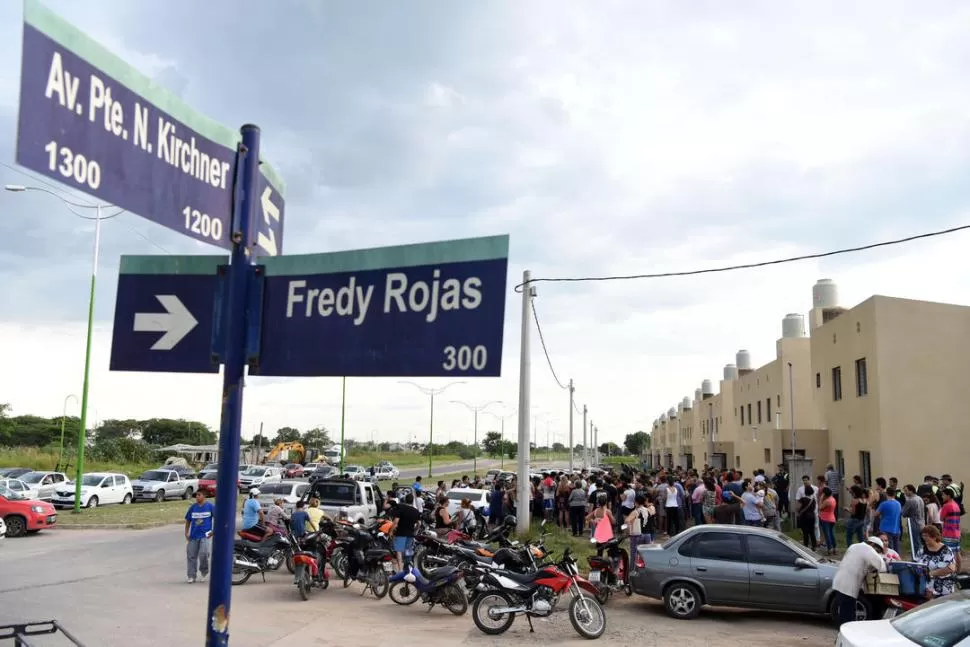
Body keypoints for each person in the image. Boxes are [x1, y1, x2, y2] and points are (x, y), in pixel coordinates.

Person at [832, 536, 887, 627]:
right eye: (877, 550)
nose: (876, 553)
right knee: (848, 617)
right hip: (849, 586)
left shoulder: (854, 546)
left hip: (838, 582)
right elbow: (882, 566)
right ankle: (845, 635)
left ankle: (841, 633)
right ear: (872, 544)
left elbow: (858, 562)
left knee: (841, 613)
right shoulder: (868, 549)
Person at [918, 525, 957, 598]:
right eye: (923, 536)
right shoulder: (922, 549)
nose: (924, 538)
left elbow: (950, 568)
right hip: (926, 588)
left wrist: (931, 573)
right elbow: (915, 564)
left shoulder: (946, 550)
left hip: (943, 587)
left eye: (927, 536)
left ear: (934, 537)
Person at [184, 490, 214, 584]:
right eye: (196, 495)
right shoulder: (193, 507)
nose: (197, 497)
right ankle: (191, 576)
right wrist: (186, 533)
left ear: (204, 496)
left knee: (204, 554)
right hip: (193, 536)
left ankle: (204, 573)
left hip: (205, 535)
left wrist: (213, 532)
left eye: (199, 495)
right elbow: (188, 520)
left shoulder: (210, 506)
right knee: (191, 556)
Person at [390, 493, 421, 570]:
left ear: (405, 500)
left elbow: (395, 522)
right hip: (410, 533)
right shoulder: (416, 511)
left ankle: (400, 569)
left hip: (401, 533)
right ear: (412, 501)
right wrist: (416, 530)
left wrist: (391, 531)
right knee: (408, 550)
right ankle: (407, 568)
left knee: (399, 551)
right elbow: (419, 523)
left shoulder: (401, 508)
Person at [819, 487, 838, 555]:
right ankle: (835, 548)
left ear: (825, 493)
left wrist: (821, 499)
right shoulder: (833, 499)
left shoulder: (827, 501)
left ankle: (830, 548)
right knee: (831, 533)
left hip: (825, 519)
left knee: (827, 535)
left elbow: (820, 508)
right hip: (832, 518)